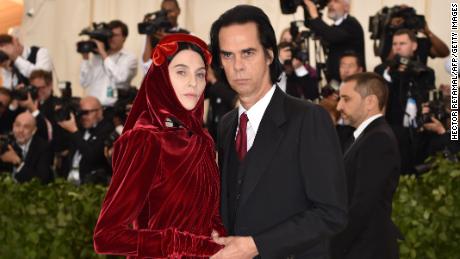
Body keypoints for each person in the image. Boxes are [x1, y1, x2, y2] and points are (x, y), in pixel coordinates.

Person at [210, 5, 347, 258]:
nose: (237, 65)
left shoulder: (309, 118)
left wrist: (255, 245)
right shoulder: (227, 124)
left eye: (248, 53)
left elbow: (331, 213)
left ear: (269, 55)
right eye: (227, 55)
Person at [93, 34, 225, 258]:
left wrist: (221, 239)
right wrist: (184, 245)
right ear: (162, 78)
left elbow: (209, 216)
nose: (193, 82)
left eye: (200, 74)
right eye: (181, 72)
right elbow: (107, 236)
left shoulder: (203, 140)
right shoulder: (146, 140)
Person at [333, 72, 401, 259]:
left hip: (366, 250)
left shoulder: (378, 139)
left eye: (346, 99)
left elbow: (362, 206)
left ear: (370, 101)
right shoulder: (363, 137)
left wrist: (331, 249)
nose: (339, 106)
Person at [374, 29, 435, 174]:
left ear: (414, 46)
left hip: (414, 133)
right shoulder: (382, 70)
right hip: (388, 129)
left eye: (402, 43)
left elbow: (426, 98)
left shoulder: (425, 72)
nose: (398, 47)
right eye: (395, 44)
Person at [303, 0, 366, 83]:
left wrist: (314, 15)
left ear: (346, 7)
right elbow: (325, 31)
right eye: (329, 2)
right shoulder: (336, 27)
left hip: (353, 82)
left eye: (336, 1)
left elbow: (332, 36)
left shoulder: (351, 24)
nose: (331, 4)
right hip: (337, 82)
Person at [80, 20, 137, 107]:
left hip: (114, 109)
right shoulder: (97, 57)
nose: (111, 38)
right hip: (94, 108)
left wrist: (103, 54)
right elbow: (84, 83)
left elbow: (120, 79)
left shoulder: (130, 58)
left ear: (124, 38)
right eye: (110, 35)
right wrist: (85, 59)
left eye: (116, 35)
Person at [57, 96, 113, 185]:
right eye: (80, 112)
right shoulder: (79, 128)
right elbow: (59, 147)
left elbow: (92, 156)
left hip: (91, 184)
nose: (83, 116)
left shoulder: (107, 130)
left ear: (99, 111)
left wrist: (74, 132)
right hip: (69, 182)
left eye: (86, 112)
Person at [0, 111, 53, 183]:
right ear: (13, 126)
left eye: (26, 127)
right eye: (17, 125)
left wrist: (17, 162)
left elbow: (41, 181)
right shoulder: (6, 143)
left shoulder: (43, 148)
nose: (20, 130)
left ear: (34, 130)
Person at [141, 0, 190, 74]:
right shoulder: (153, 36)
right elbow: (146, 67)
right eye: (164, 12)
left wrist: (169, 41)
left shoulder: (188, 35)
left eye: (170, 11)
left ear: (178, 11)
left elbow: (189, 64)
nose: (168, 15)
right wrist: (148, 32)